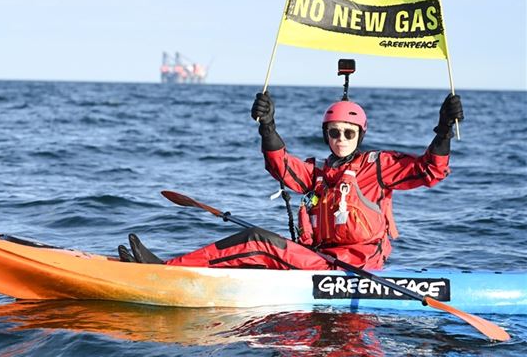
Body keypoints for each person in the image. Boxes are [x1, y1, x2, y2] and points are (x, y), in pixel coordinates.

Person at [119, 91, 464, 270]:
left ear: (360, 134)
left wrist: (444, 130)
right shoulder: (317, 172)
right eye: (334, 132)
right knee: (261, 248)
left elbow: (430, 171)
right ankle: (184, 269)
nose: (341, 137)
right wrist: (267, 126)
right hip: (321, 258)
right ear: (326, 135)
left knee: (259, 241)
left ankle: (168, 269)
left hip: (356, 266)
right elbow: (281, 167)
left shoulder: (378, 167)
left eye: (348, 132)